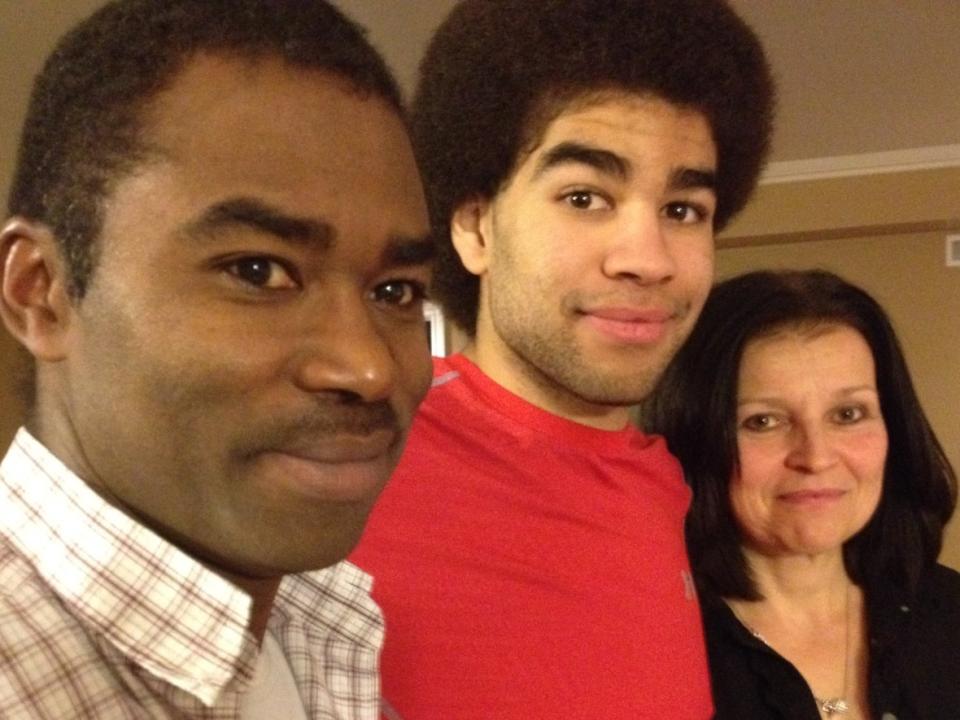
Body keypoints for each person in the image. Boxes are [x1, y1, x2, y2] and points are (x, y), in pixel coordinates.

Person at [0, 1, 435, 717]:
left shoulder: (315, 628)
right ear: (40, 294)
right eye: (259, 272)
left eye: (395, 291)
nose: (369, 368)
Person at [348, 1, 776, 717]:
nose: (648, 260)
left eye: (682, 210)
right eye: (585, 197)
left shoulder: (679, 486)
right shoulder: (358, 457)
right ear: (475, 228)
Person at [644, 269, 960, 719]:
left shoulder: (949, 613)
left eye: (848, 414)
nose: (815, 457)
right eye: (763, 422)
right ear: (701, 439)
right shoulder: (650, 644)